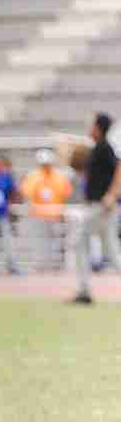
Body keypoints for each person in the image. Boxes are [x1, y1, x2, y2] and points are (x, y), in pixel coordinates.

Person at [68, 112, 120, 305]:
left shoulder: (105, 147)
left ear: (99, 128)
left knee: (78, 240)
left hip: (101, 206)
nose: (90, 128)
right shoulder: (97, 148)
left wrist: (112, 194)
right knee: (112, 252)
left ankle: (84, 291)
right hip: (98, 206)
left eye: (93, 125)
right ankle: (84, 290)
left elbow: (119, 168)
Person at [20, 148, 72, 272]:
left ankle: (56, 265)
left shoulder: (59, 176)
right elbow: (27, 192)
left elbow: (66, 192)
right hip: (39, 214)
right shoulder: (33, 176)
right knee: (40, 240)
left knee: (57, 240)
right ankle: (40, 265)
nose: (46, 166)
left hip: (56, 214)